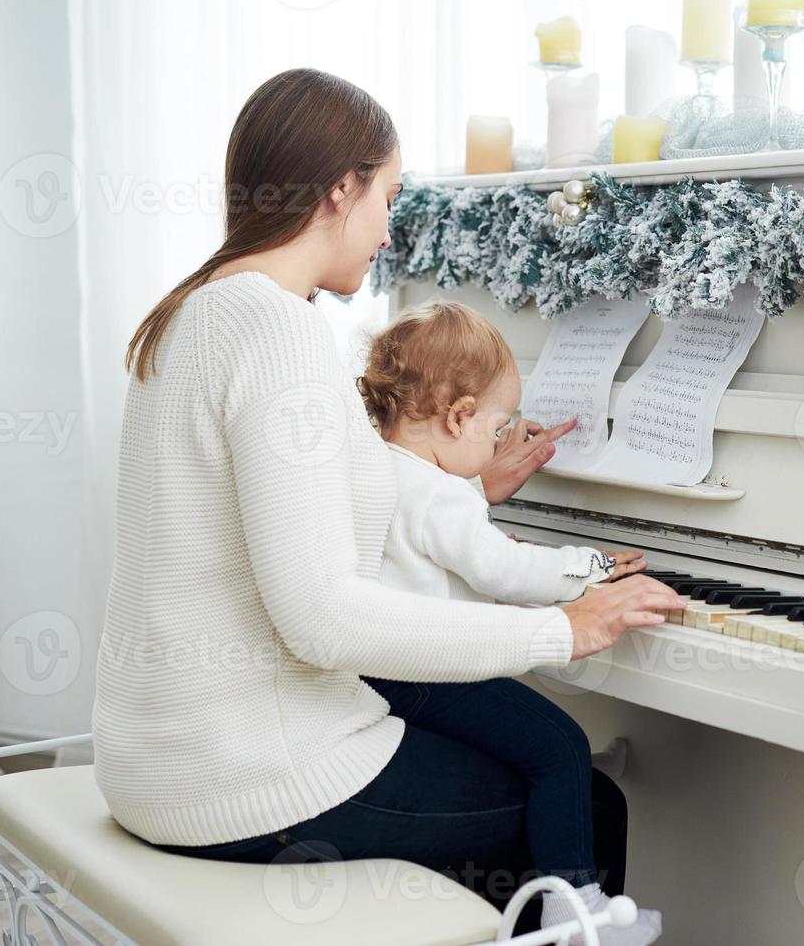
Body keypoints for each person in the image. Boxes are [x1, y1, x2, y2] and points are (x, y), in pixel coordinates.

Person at [90, 67, 684, 933]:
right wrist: (567, 627)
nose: (386, 230)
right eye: (388, 197)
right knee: (588, 804)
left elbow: (288, 508)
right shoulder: (280, 331)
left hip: (158, 760)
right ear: (340, 189)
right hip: (249, 779)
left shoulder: (194, 312)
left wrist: (471, 488)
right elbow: (323, 620)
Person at [357, 300, 661, 943]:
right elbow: (503, 572)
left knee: (533, 748)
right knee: (560, 748)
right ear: (457, 415)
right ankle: (574, 912)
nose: (500, 442)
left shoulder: (374, 466)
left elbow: (436, 530)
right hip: (431, 676)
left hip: (380, 677)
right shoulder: (443, 495)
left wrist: (479, 492)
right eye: (497, 428)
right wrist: (595, 566)